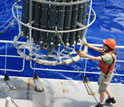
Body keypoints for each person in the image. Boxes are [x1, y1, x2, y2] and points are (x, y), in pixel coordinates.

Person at [78, 38, 117, 107]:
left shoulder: (108, 56)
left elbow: (96, 58)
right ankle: (111, 98)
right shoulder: (107, 50)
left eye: (105, 44)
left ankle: (101, 104)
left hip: (107, 76)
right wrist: (88, 45)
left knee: (101, 91)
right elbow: (98, 49)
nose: (103, 45)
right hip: (104, 73)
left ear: (108, 47)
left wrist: (84, 55)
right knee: (101, 85)